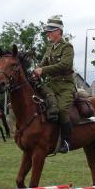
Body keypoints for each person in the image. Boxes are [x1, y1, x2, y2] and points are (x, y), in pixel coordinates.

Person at [32, 18, 75, 153]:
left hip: (65, 86)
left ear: (58, 31)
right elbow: (43, 62)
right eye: (47, 32)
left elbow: (65, 65)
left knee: (62, 110)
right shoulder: (50, 47)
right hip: (51, 85)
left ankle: (66, 142)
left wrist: (43, 70)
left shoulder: (67, 47)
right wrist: (36, 71)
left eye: (50, 31)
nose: (47, 34)